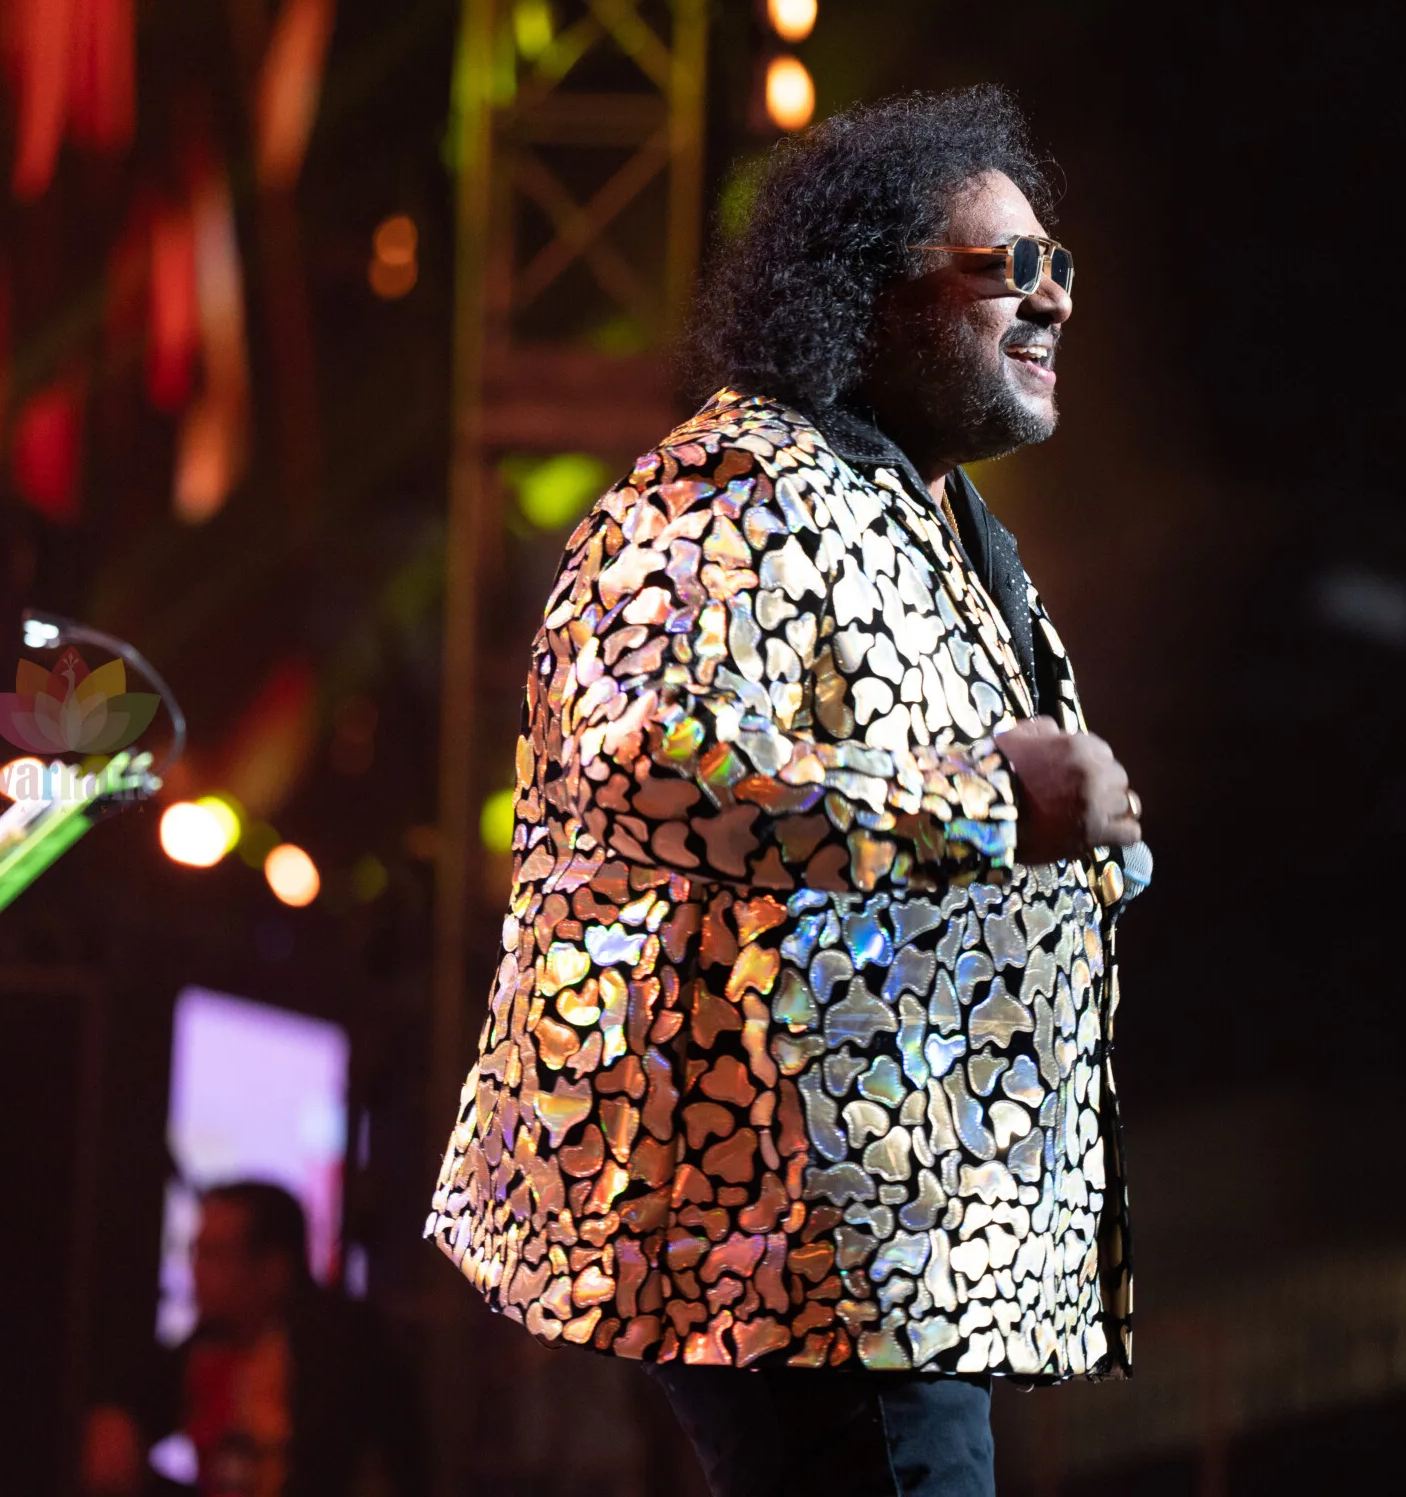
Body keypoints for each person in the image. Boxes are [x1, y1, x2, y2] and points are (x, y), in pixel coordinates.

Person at [425, 83, 1149, 1496]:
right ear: (870, 287)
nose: (1056, 296)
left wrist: (1094, 845)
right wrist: (994, 810)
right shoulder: (735, 489)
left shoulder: (944, 527)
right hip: (792, 1239)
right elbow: (647, 760)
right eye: (1012, 263)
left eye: (1062, 263)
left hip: (892, 1244)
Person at [83, 1181, 421, 1497]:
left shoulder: (339, 1349)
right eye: (195, 1253)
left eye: (215, 1255)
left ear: (275, 1269)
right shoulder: (208, 1344)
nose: (196, 1272)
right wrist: (116, 1418)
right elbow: (138, 1407)